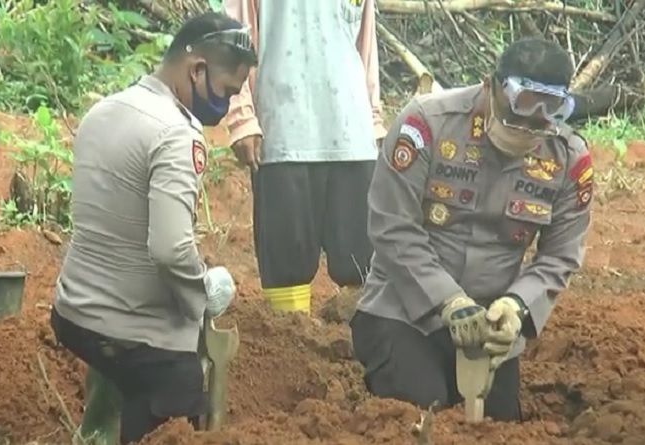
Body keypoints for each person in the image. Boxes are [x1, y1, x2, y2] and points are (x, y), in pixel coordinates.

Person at [349, 37, 593, 422]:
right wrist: (449, 301)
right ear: (490, 86)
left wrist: (516, 307)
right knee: (423, 411)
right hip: (404, 313)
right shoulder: (426, 124)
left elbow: (560, 256)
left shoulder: (569, 159)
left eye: (543, 121)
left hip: (494, 330)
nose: (527, 131)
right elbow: (393, 226)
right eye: (517, 113)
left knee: (498, 425)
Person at [49, 12, 257, 445]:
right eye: (226, 91)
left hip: (72, 315)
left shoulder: (104, 110)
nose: (226, 104)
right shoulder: (176, 133)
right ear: (196, 69)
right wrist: (204, 296)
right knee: (177, 389)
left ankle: (98, 430)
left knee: (119, 364)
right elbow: (170, 250)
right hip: (128, 332)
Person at [222, 0, 387, 313]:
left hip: (352, 130)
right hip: (282, 130)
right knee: (287, 264)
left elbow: (365, 45)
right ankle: (290, 351)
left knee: (362, 261)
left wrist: (373, 117)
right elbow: (237, 34)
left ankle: (359, 350)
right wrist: (241, 116)